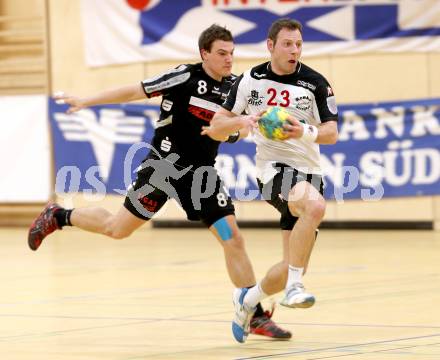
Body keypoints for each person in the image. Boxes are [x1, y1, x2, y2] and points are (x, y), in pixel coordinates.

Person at [27, 24, 291, 342]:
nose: (228, 60)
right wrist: (86, 100)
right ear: (204, 53)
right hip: (163, 169)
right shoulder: (183, 76)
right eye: (221, 53)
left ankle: (253, 314)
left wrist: (237, 128)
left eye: (232, 53)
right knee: (117, 229)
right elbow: (134, 90)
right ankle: (58, 215)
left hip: (200, 176)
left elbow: (239, 131)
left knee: (232, 237)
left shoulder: (236, 88)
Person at [202, 18, 339, 342]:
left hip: (310, 172)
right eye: (288, 44)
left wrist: (302, 131)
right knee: (315, 206)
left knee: (295, 262)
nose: (294, 50)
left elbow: (331, 133)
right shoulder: (251, 80)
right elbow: (217, 123)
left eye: (299, 45)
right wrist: (242, 121)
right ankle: (294, 288)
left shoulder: (316, 83)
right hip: (273, 170)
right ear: (271, 46)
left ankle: (247, 302)